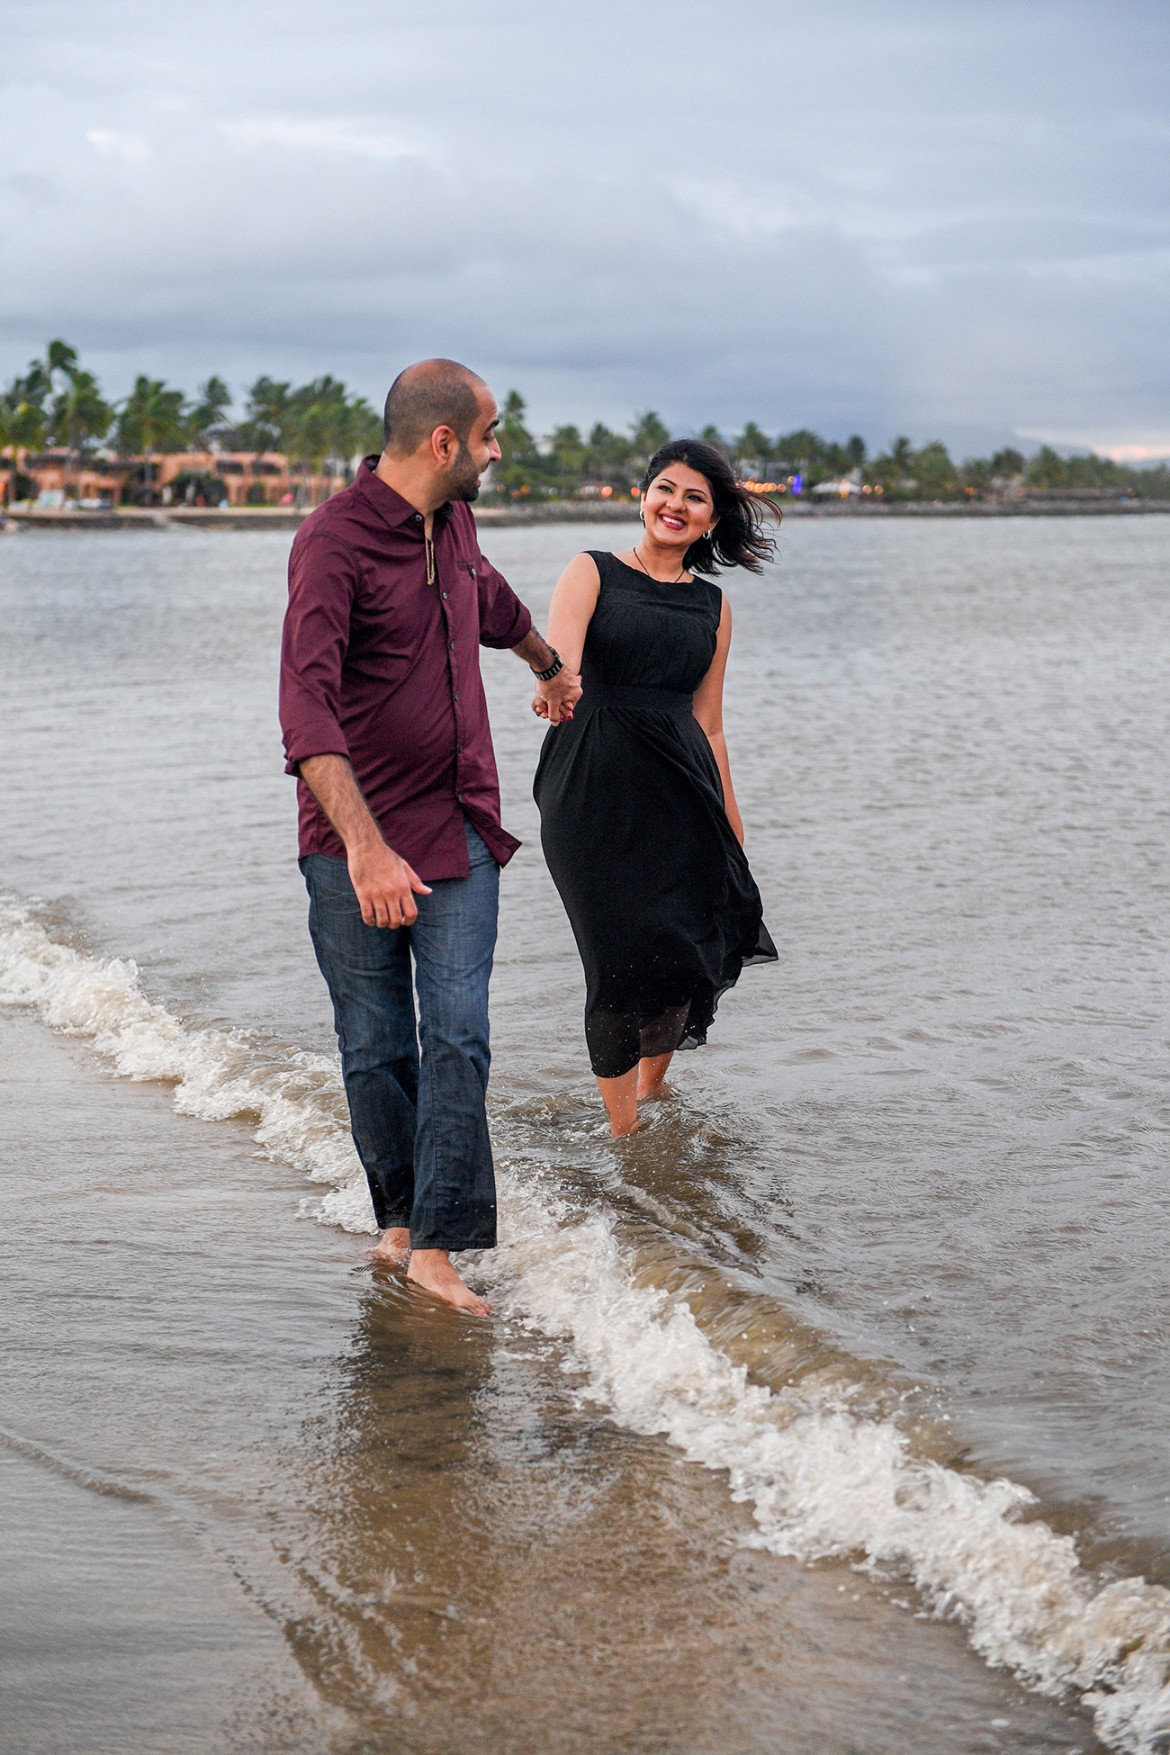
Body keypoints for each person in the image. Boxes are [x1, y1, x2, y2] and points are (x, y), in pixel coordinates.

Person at [280, 359, 581, 1313]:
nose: (497, 452)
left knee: (458, 1035)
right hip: (352, 842)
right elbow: (305, 708)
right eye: (491, 435)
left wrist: (549, 662)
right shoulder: (331, 542)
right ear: (444, 441)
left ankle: (438, 1246)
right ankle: (402, 1219)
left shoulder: (455, 521)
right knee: (373, 1046)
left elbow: (485, 596)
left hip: (457, 824)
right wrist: (365, 848)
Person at [533, 438, 778, 1138]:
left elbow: (712, 723)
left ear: (709, 519)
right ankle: (624, 1135)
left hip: (682, 793)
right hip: (591, 790)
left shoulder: (713, 607)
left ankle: (649, 1090)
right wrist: (554, 684)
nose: (675, 504)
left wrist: (731, 817)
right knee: (613, 961)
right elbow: (562, 662)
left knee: (682, 956)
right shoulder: (592, 571)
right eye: (665, 488)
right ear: (643, 495)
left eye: (694, 497)